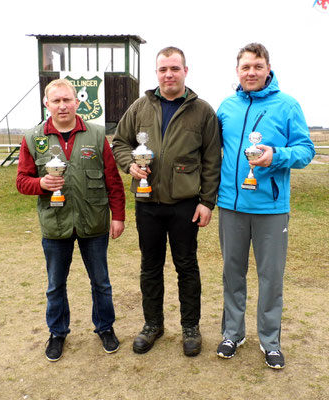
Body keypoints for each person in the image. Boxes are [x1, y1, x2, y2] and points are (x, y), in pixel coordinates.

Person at [112, 46, 221, 357]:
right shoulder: (139, 108)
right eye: (163, 69)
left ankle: (190, 327)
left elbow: (212, 160)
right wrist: (129, 164)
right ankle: (153, 324)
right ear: (156, 73)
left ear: (186, 71)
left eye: (174, 68)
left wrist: (207, 202)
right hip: (147, 203)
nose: (168, 74)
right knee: (150, 266)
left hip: (186, 204)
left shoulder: (202, 111)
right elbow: (120, 142)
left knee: (186, 266)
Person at [216, 43, 315, 369]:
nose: (251, 72)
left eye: (257, 66)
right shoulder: (227, 107)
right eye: (245, 67)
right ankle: (233, 332)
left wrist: (277, 156)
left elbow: (305, 150)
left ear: (268, 68)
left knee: (270, 277)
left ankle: (270, 340)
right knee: (233, 274)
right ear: (237, 71)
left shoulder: (287, 106)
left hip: (271, 208)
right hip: (231, 207)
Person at [16, 79, 126, 362]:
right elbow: (21, 182)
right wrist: (41, 182)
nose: (62, 106)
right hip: (55, 225)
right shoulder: (33, 138)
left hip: (94, 223)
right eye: (56, 101)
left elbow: (112, 180)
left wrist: (119, 217)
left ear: (77, 102)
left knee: (101, 282)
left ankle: (105, 328)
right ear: (46, 104)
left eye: (67, 100)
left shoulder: (97, 134)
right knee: (56, 284)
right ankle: (57, 333)